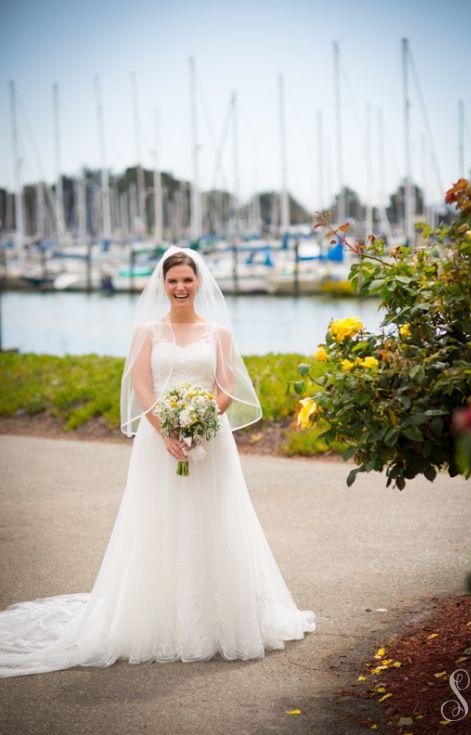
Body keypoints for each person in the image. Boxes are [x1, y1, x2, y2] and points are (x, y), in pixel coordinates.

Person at [0, 245, 315, 678]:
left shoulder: (218, 333)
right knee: (159, 518)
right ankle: (159, 618)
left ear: (199, 282)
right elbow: (142, 386)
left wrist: (202, 421)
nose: (181, 288)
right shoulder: (148, 331)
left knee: (213, 516)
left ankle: (220, 617)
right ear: (163, 285)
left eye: (187, 280)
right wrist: (167, 430)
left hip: (210, 439)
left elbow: (226, 388)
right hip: (158, 439)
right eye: (173, 281)